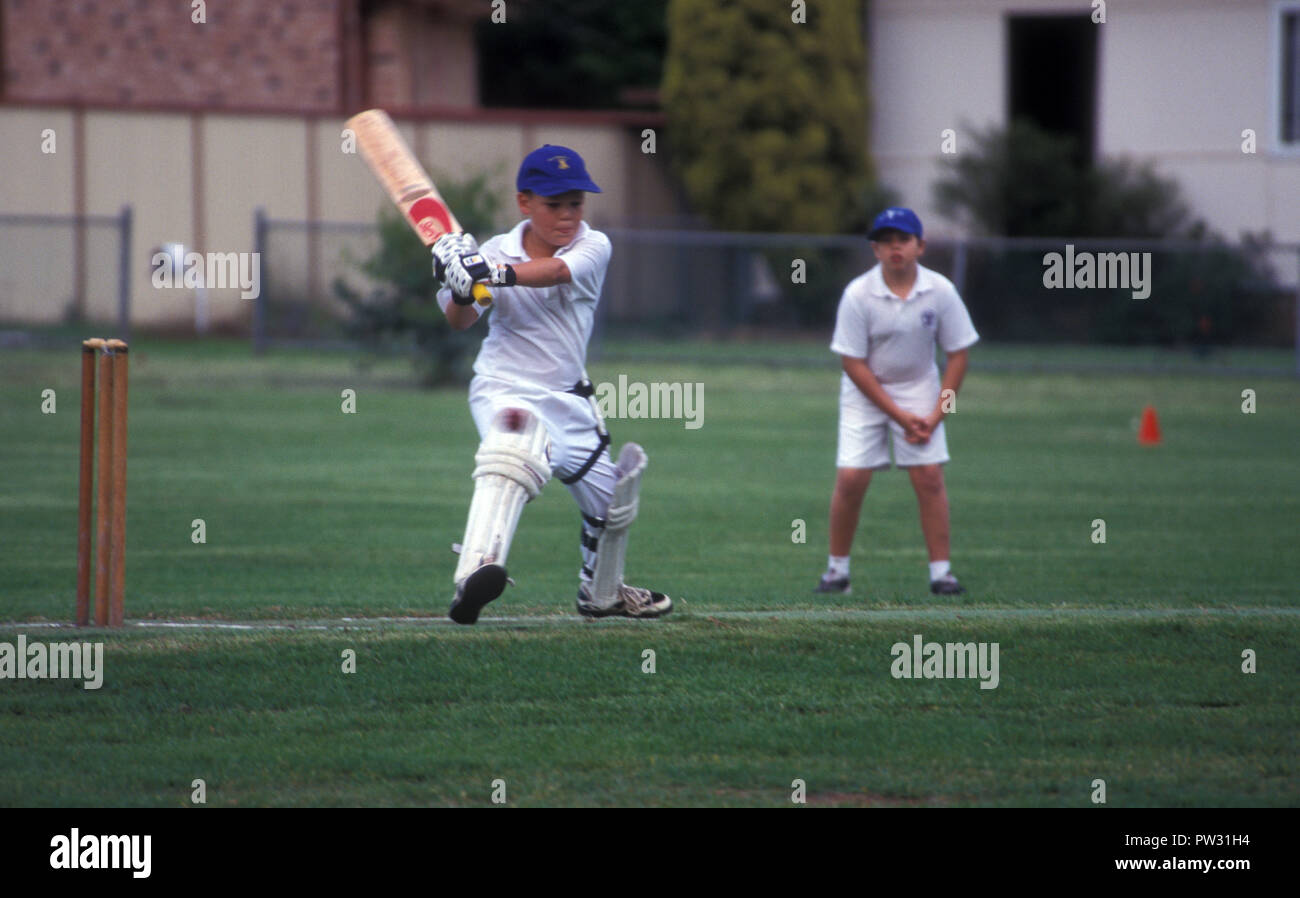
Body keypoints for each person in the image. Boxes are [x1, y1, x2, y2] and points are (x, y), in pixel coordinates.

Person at [430, 145, 672, 625]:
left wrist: (488, 273)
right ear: (525, 202)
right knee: (513, 454)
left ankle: (601, 595)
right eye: (552, 204)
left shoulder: (592, 245)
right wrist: (461, 289)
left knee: (612, 508)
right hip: (504, 388)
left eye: (575, 203)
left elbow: (555, 273)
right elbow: (459, 320)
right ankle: (474, 574)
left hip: (568, 397)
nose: (567, 216)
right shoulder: (494, 251)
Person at [816, 207, 979, 597]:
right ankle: (837, 572)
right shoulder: (858, 294)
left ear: (920, 246)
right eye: (886, 241)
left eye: (903, 240)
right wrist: (899, 416)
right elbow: (852, 364)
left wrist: (937, 415)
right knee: (852, 477)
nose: (895, 248)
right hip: (865, 392)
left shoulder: (940, 291)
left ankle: (942, 574)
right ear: (875, 249)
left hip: (921, 386)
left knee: (929, 477)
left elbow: (958, 355)